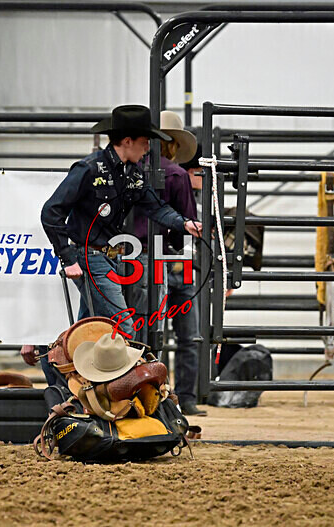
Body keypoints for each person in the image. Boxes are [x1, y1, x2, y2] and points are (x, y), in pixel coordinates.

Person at [41, 104, 202, 335]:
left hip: (107, 258)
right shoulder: (89, 169)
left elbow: (155, 207)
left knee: (87, 329)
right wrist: (68, 258)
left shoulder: (131, 173)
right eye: (144, 141)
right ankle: (120, 371)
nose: (148, 147)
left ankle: (57, 367)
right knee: (124, 327)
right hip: (91, 257)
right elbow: (51, 211)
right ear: (127, 141)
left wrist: (184, 223)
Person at [133, 111, 206, 417]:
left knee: (148, 330)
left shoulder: (131, 172)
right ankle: (186, 398)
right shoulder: (176, 175)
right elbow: (188, 220)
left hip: (139, 257)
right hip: (177, 256)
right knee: (187, 333)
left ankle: (151, 396)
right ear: (174, 143)